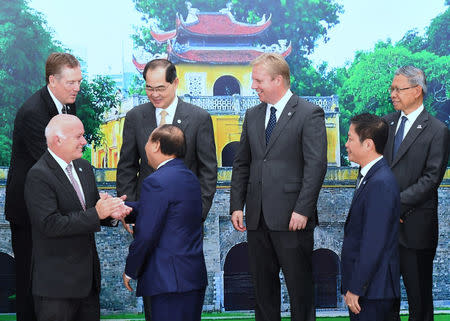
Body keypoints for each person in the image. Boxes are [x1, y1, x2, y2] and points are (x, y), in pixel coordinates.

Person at [229, 53, 327, 321]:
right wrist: (237, 205)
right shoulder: (252, 115)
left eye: (258, 80)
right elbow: (242, 164)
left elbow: (316, 166)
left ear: (278, 80)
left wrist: (303, 209)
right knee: (262, 293)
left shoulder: (309, 113)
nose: (253, 86)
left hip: (293, 219)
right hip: (257, 219)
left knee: (300, 292)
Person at [24, 114, 131, 321]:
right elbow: (49, 224)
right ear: (58, 140)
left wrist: (111, 214)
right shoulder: (39, 175)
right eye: (79, 136)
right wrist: (97, 213)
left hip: (88, 284)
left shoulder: (83, 168)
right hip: (57, 288)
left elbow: (89, 211)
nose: (84, 141)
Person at [4, 52, 81, 321]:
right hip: (29, 212)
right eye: (71, 82)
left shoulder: (68, 105)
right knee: (30, 285)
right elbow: (54, 164)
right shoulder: (33, 112)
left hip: (51, 210)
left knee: (51, 286)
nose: (76, 88)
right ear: (52, 80)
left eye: (79, 81)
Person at [383, 66, 450, 321]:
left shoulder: (437, 131)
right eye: (392, 88)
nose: (393, 94)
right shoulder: (385, 125)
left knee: (419, 302)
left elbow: (431, 179)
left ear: (417, 91)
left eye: (398, 88)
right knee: (384, 298)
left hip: (416, 229)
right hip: (383, 229)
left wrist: (393, 206)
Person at [123, 125, 207, 321]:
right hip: (191, 278)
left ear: (156, 145)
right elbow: (167, 211)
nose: (144, 146)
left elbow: (146, 234)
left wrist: (130, 270)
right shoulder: (189, 178)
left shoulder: (156, 181)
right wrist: (120, 207)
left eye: (147, 141)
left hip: (166, 282)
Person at [117, 58, 217, 222]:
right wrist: (130, 213)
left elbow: (208, 171)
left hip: (186, 214)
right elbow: (127, 168)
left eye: (160, 88)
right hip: (145, 213)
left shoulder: (199, 118)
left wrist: (198, 212)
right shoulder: (135, 117)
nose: (154, 94)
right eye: (149, 88)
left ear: (175, 83)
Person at [341, 113, 401, 321]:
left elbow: (373, 242)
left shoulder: (380, 182)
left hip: (373, 292)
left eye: (350, 138)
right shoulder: (371, 177)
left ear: (368, 145)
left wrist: (356, 287)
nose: (346, 144)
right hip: (371, 290)